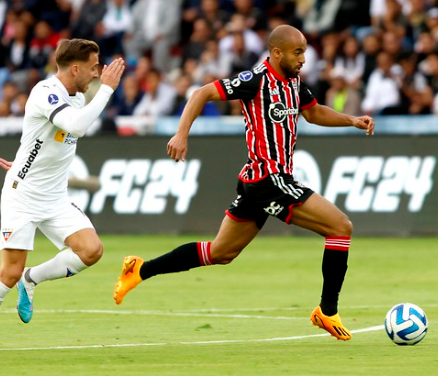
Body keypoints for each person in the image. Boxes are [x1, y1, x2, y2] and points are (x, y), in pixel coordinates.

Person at [113, 25, 375, 341]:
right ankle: (327, 310)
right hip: (268, 179)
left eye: (304, 51)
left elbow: (314, 111)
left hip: (264, 181)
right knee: (340, 227)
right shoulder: (255, 81)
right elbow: (202, 93)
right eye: (298, 52)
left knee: (221, 252)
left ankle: (140, 269)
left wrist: (351, 120)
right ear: (277, 52)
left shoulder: (293, 82)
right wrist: (182, 134)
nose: (303, 58)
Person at [0, 39, 125, 353]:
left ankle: (31, 279)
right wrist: (108, 90)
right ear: (75, 67)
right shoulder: (47, 92)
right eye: (93, 66)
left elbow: (44, 140)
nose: (98, 72)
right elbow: (77, 126)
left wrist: (22, 161)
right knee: (8, 272)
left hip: (55, 198)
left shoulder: (76, 96)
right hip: (23, 196)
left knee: (91, 250)